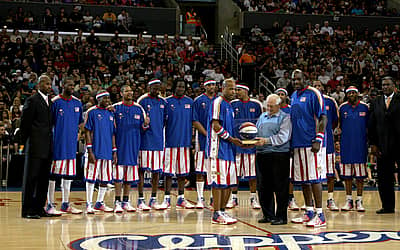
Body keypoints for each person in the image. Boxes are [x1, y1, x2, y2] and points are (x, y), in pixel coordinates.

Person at [290, 70, 328, 227]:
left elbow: (323, 117)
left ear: (306, 78)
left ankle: (320, 214)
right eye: (294, 79)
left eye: (298, 79)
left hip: (312, 143)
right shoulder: (293, 95)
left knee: (314, 179)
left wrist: (318, 139)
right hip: (298, 144)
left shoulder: (314, 93)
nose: (296, 82)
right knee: (304, 181)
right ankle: (309, 211)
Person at [20, 75, 61, 219]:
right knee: (31, 178)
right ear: (39, 84)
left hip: (47, 146)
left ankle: (39, 208)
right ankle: (27, 210)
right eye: (46, 83)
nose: (49, 86)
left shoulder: (50, 101)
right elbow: (25, 124)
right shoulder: (32, 100)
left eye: (50, 84)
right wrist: (22, 143)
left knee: (43, 179)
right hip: (35, 146)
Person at [206, 78, 242, 225]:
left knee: (229, 183)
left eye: (235, 89)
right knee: (218, 183)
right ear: (223, 88)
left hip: (228, 149)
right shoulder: (218, 103)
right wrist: (231, 139)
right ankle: (216, 214)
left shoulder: (229, 105)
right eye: (231, 89)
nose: (233, 92)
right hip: (218, 149)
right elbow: (216, 126)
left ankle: (222, 211)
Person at [46, 78, 83, 215]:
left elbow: (80, 124)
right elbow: (49, 125)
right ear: (62, 86)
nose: (72, 87)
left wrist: (77, 137)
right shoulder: (55, 102)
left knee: (68, 176)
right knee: (53, 176)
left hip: (71, 147)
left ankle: (65, 204)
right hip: (57, 146)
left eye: (73, 85)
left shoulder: (77, 103)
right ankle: (50, 204)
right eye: (69, 84)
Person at [255, 94, 292, 225]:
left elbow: (284, 136)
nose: (269, 108)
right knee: (264, 187)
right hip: (262, 154)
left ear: (279, 106)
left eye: (272, 106)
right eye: (268, 106)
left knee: (280, 187)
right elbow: (256, 131)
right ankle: (268, 215)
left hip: (279, 155)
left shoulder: (285, 118)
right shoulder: (262, 116)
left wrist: (266, 141)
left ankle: (281, 216)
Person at [112, 85, 150, 213]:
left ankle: (125, 202)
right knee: (118, 178)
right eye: (127, 91)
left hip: (134, 147)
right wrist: (113, 149)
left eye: (131, 91)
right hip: (120, 146)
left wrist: (145, 124)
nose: (130, 93)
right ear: (121, 93)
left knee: (128, 178)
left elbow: (143, 128)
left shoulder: (139, 108)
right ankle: (117, 202)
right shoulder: (116, 108)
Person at [161, 79, 195, 209]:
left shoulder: (190, 102)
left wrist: (192, 139)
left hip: (185, 143)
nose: (181, 88)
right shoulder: (167, 102)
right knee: (168, 173)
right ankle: (167, 198)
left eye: (183, 86)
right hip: (170, 142)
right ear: (174, 87)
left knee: (182, 173)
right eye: (179, 86)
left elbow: (193, 121)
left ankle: (181, 198)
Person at [228, 83, 263, 209]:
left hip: (251, 146)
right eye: (236, 89)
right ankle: (234, 198)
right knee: (235, 174)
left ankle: (253, 198)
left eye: (239, 90)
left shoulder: (256, 104)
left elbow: (261, 123)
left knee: (252, 175)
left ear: (246, 90)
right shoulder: (232, 104)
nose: (237, 92)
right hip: (237, 144)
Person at [369, 76, 400, 214]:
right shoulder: (376, 102)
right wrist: (373, 144)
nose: (385, 87)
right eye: (383, 84)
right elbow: (372, 125)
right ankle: (388, 206)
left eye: (388, 84)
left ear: (394, 85)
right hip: (382, 145)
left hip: (399, 144)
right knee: (384, 177)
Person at [137, 79, 168, 210]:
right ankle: (140, 199)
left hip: (158, 141)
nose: (156, 90)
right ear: (149, 87)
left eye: (158, 88)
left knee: (156, 172)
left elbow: (166, 121)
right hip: (145, 141)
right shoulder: (142, 101)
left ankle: (153, 199)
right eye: (154, 88)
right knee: (142, 171)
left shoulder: (163, 102)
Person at [84, 90, 116, 214]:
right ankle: (88, 204)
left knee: (105, 179)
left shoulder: (110, 113)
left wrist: (114, 151)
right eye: (105, 98)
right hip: (95, 151)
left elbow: (113, 133)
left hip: (107, 151)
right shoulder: (91, 112)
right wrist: (90, 150)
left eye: (109, 98)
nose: (108, 101)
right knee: (91, 178)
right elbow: (87, 132)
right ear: (98, 99)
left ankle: (99, 202)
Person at [338, 86, 368, 212]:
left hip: (360, 146)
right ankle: (348, 200)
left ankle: (359, 200)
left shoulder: (365, 107)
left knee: (360, 177)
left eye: (353, 93)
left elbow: (369, 126)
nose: (351, 94)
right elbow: (338, 125)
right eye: (349, 93)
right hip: (346, 145)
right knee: (347, 176)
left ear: (357, 94)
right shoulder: (342, 108)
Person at [312, 80, 340, 211]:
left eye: (319, 85)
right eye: (315, 86)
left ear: (323, 88)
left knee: (329, 173)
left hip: (327, 143)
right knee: (312, 174)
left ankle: (330, 199)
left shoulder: (330, 101)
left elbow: (335, 121)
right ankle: (313, 201)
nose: (318, 87)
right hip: (312, 143)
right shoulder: (310, 99)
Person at [193, 79, 217, 208]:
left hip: (216, 141)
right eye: (209, 85)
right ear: (205, 86)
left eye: (213, 85)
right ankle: (200, 198)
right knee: (200, 170)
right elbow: (195, 121)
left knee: (214, 170)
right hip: (202, 141)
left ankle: (213, 197)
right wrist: (207, 134)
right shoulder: (198, 101)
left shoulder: (219, 101)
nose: (211, 87)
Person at [275, 88, 299, 210]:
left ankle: (290, 198)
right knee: (277, 175)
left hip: (289, 144)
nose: (280, 96)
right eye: (278, 94)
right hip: (276, 146)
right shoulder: (273, 110)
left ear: (286, 96)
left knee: (289, 175)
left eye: (282, 94)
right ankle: (278, 199)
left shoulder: (291, 109)